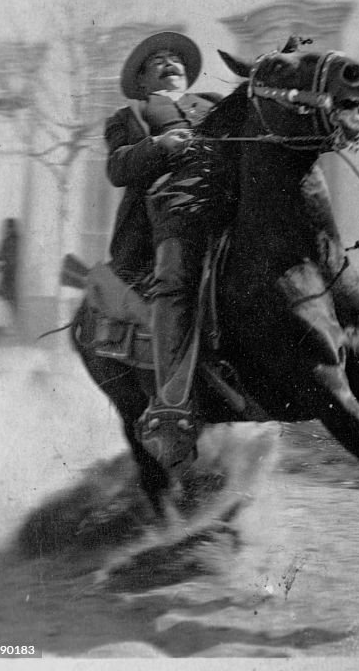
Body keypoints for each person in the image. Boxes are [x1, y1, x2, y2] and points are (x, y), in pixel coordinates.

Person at [105, 31, 233, 469]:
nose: (169, 63)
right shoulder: (133, 114)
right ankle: (172, 403)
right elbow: (118, 166)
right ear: (142, 81)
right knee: (175, 280)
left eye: (175, 59)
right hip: (161, 223)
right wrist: (158, 145)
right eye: (157, 60)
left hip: (223, 214)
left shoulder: (212, 104)